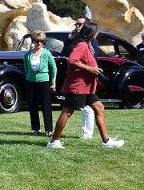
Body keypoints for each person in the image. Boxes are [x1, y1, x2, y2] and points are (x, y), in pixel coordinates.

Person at [47, 21, 125, 149]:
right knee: (67, 112)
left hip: (87, 88)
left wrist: (94, 69)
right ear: (91, 33)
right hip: (78, 86)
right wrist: (90, 69)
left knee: (99, 107)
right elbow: (72, 60)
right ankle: (54, 141)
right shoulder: (82, 45)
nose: (98, 33)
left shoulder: (88, 45)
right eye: (96, 31)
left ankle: (106, 141)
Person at [23, 31, 57, 135]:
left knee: (46, 106)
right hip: (31, 82)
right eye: (37, 41)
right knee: (32, 105)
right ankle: (36, 129)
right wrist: (29, 76)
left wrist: (53, 82)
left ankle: (49, 129)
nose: (39, 43)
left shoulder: (46, 53)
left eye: (42, 41)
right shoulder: (27, 54)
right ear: (33, 41)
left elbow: (53, 67)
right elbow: (26, 68)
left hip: (44, 81)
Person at [70, 16, 95, 139]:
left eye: (80, 24)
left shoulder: (91, 41)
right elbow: (70, 57)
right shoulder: (73, 39)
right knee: (68, 110)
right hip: (76, 78)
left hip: (88, 80)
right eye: (76, 24)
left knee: (93, 107)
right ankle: (55, 140)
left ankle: (90, 134)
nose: (77, 27)